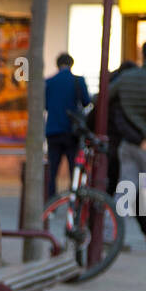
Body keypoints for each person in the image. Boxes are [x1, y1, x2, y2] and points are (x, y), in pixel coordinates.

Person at [109, 40, 146, 250]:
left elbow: (103, 97)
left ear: (143, 55)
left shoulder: (126, 78)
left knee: (126, 192)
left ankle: (117, 237)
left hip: (128, 144)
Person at [44, 52, 91, 197]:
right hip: (72, 131)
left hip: (53, 130)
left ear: (57, 65)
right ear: (71, 64)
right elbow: (86, 102)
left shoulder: (49, 82)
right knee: (74, 170)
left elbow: (45, 105)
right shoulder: (78, 81)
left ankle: (50, 202)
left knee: (52, 171)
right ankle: (73, 200)